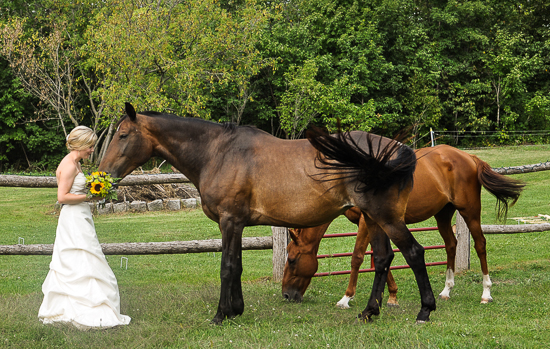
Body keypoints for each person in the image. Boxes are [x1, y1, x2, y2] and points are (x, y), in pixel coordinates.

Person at [38, 126, 131, 330]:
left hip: (80, 216)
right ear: (80, 145)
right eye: (89, 146)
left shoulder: (75, 163)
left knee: (83, 260)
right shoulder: (70, 165)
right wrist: (90, 196)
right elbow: (62, 197)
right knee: (85, 259)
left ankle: (82, 303)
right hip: (73, 219)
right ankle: (85, 307)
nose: (91, 150)